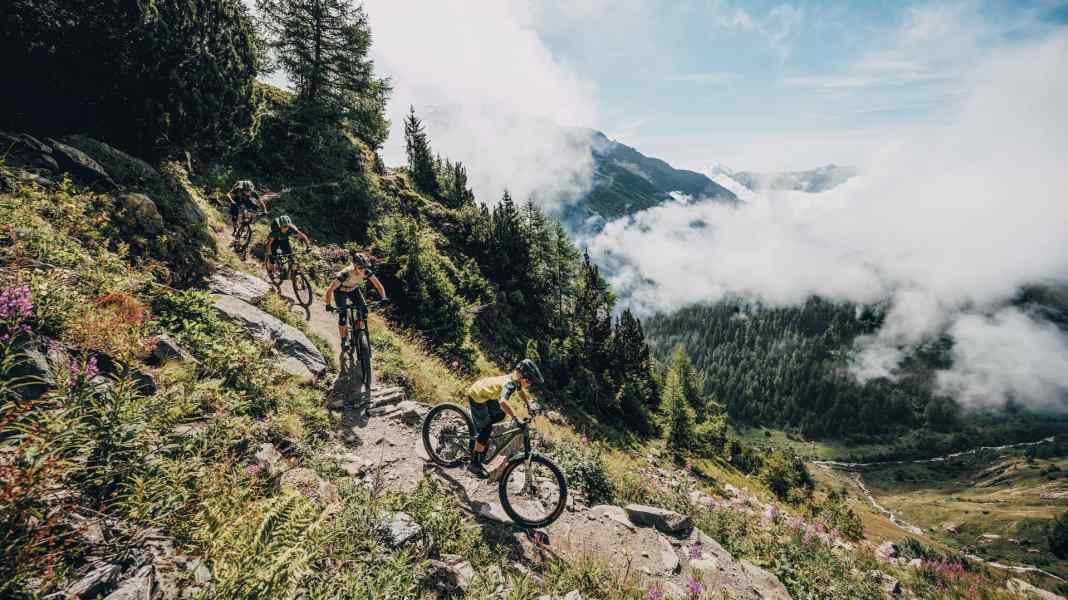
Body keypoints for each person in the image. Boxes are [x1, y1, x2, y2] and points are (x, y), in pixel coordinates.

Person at [464, 359, 544, 478]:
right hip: (477, 395)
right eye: (529, 381)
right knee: (486, 428)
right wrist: (516, 418)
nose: (530, 384)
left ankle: (480, 436)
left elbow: (520, 392)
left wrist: (528, 404)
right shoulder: (510, 383)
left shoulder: (515, 380)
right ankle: (474, 464)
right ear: (523, 377)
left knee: (501, 414)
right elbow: (502, 401)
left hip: (487, 394)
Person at [324, 251, 387, 351]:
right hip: (341, 291)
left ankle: (359, 332)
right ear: (354, 265)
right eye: (360, 268)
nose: (363, 271)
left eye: (364, 267)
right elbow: (330, 289)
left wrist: (384, 297)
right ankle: (344, 340)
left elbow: (378, 285)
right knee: (343, 316)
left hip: (353, 289)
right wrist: (328, 304)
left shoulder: (366, 271)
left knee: (364, 311)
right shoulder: (345, 273)